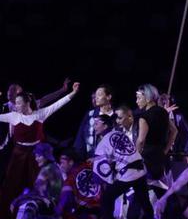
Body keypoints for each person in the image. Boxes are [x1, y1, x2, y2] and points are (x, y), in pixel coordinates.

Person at [0, 84, 78, 219]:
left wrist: (73, 92)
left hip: (36, 154)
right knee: (11, 184)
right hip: (19, 154)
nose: (16, 106)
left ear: (27, 103)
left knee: (38, 183)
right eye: (15, 103)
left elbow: (58, 104)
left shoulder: (40, 114)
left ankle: (41, 212)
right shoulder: (13, 116)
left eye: (18, 103)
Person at [93, 112, 153, 219]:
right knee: (144, 201)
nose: (94, 127)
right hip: (140, 168)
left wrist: (103, 182)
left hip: (128, 173)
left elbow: (101, 168)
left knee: (107, 198)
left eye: (97, 124)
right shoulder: (120, 134)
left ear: (105, 126)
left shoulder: (104, 142)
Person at [134, 84, 173, 188]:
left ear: (147, 98)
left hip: (147, 157)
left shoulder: (144, 117)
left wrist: (135, 157)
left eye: (138, 98)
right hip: (160, 155)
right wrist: (166, 150)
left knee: (146, 188)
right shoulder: (163, 112)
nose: (136, 101)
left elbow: (141, 140)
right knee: (159, 188)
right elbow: (174, 131)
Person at [73, 86, 114, 160]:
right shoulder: (90, 115)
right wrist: (79, 156)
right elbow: (81, 135)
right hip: (90, 158)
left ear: (108, 97)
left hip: (112, 159)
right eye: (95, 96)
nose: (96, 98)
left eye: (99, 95)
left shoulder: (116, 115)